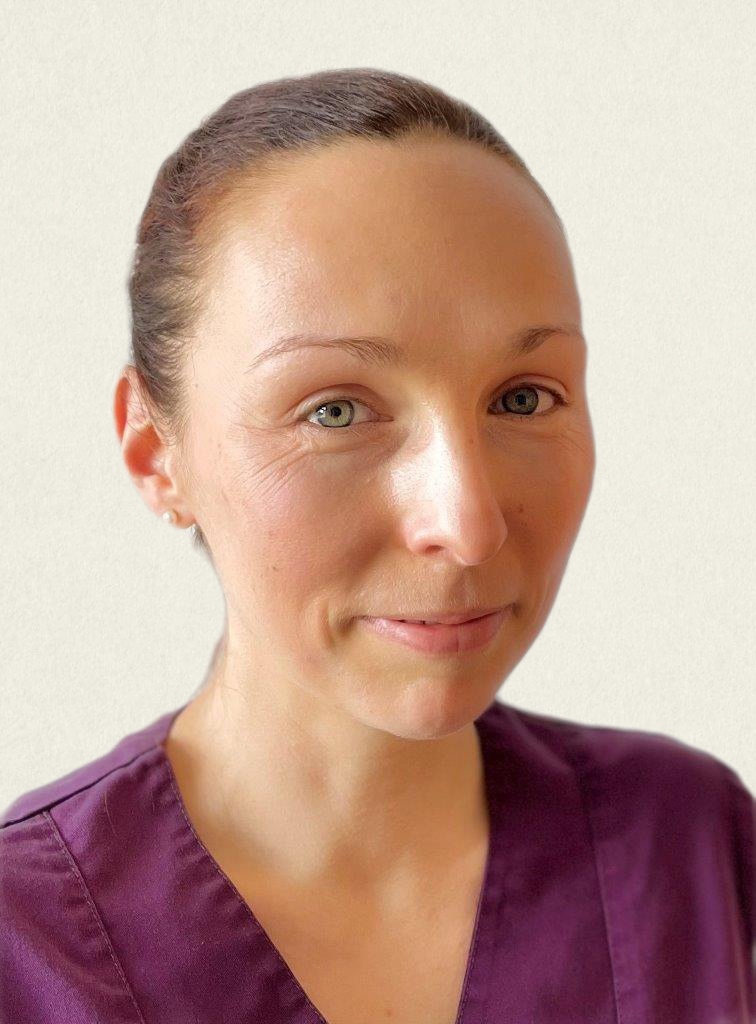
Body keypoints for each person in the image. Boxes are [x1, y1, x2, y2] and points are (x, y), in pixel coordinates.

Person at [1, 67, 753, 1024]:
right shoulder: (26, 949)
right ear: (157, 454)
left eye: (523, 397)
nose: (468, 524)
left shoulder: (692, 850)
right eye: (336, 410)